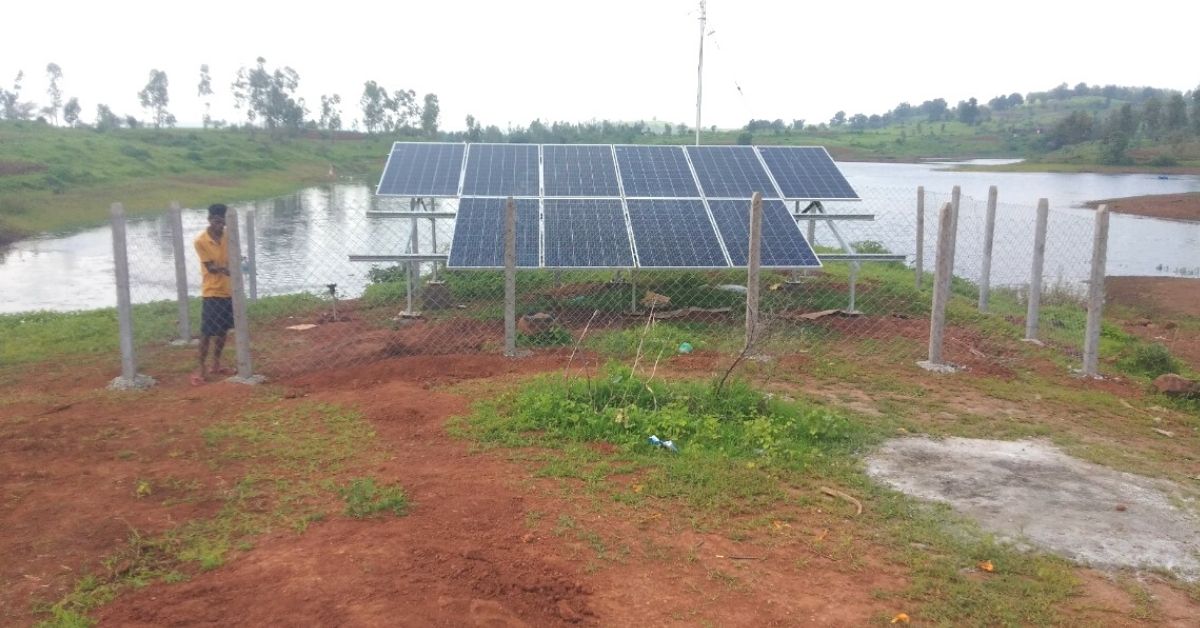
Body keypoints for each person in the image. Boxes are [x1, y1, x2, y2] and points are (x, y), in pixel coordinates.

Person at [192, 203, 234, 384]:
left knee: (223, 331)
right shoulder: (200, 241)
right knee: (207, 332)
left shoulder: (228, 237)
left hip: (227, 290)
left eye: (223, 222)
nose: (220, 225)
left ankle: (216, 363)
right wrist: (227, 270)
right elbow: (210, 267)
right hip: (211, 291)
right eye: (216, 221)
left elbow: (232, 258)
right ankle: (201, 367)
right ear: (209, 220)